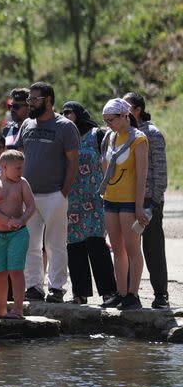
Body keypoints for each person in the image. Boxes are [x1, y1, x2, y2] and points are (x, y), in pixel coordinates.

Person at [16, 82, 79, 303]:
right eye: (29, 100)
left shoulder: (66, 127)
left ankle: (57, 288)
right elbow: (19, 157)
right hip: (29, 196)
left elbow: (73, 162)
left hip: (55, 195)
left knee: (56, 243)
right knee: (30, 244)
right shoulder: (26, 124)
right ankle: (34, 286)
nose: (30, 103)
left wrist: (64, 192)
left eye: (34, 99)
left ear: (48, 100)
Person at [61, 101, 116, 305]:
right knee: (74, 246)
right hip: (71, 199)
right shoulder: (65, 137)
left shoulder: (97, 134)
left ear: (79, 113)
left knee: (97, 244)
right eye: (63, 112)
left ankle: (109, 292)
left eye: (69, 112)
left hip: (95, 199)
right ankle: (80, 294)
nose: (66, 115)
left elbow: (110, 161)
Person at [99, 98, 149, 310]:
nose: (108, 124)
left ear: (124, 116)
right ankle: (120, 293)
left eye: (111, 119)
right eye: (105, 120)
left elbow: (141, 177)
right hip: (111, 199)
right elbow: (105, 164)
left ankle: (133, 294)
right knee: (117, 249)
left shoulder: (139, 140)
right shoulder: (110, 137)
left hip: (129, 201)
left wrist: (139, 206)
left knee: (132, 248)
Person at [123, 92, 169, 309]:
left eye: (126, 106)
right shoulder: (123, 133)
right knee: (130, 248)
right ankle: (131, 294)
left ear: (137, 109)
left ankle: (161, 295)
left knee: (153, 248)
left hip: (150, 201)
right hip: (126, 199)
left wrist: (154, 201)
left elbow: (160, 172)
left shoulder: (152, 134)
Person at [0, 150, 36, 318]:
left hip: (18, 234)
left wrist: (21, 220)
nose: (21, 172)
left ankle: (18, 310)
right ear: (4, 167)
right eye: (18, 168)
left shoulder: (22, 183)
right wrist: (7, 221)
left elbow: (31, 206)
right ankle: (1, 308)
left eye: (22, 168)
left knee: (16, 271)